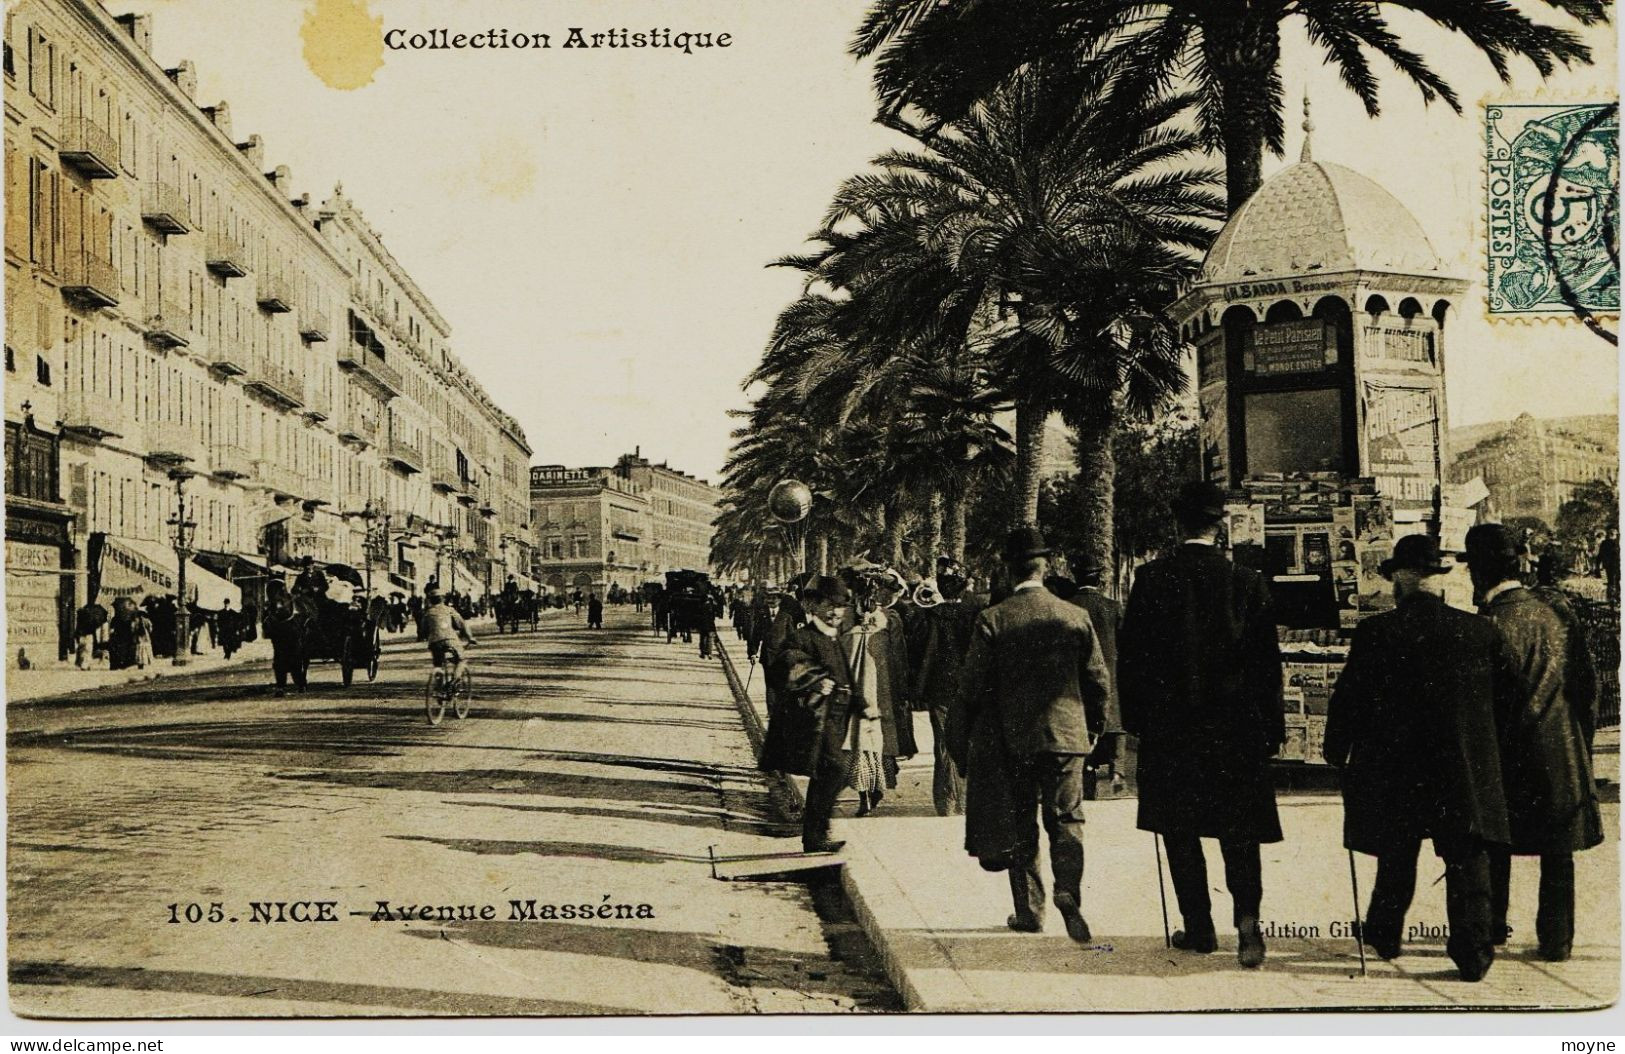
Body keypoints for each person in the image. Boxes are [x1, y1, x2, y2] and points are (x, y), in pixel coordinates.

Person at [1323, 533, 1516, 982]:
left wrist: (1337, 749)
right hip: (1462, 769)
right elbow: (1508, 702)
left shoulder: (1377, 633)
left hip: (1397, 771)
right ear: (1438, 578)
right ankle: (1473, 954)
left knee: (1396, 854)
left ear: (1404, 578)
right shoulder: (1478, 631)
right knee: (1467, 858)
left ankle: (1385, 936)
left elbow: (1349, 699)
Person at [1118, 481, 1283, 969]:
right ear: (1220, 526)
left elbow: (1133, 662)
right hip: (1236, 732)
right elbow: (1266, 666)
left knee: (1179, 830)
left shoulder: (1150, 580)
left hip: (1172, 732)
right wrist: (1269, 730)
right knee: (1239, 832)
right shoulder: (1246, 582)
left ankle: (1200, 927)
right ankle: (1249, 925)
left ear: (1177, 524)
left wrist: (1138, 726)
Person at [949, 527, 1110, 941]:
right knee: (1067, 819)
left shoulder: (992, 620)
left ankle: (1030, 911)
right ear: (1046, 566)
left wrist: (963, 743)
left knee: (1022, 822)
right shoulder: (1076, 616)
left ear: (1007, 568)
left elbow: (970, 688)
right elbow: (1098, 681)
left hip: (1012, 741)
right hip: (1067, 737)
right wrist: (1092, 730)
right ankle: (1068, 891)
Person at [1465, 524, 1603, 963]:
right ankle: (1557, 941)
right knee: (1558, 853)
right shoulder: (1557, 612)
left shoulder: (1487, 624)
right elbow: (1587, 685)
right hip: (1562, 749)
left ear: (1478, 573)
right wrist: (1582, 741)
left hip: (1507, 755)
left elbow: (1481, 704)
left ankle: (1491, 930)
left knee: (1493, 845)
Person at [765, 576, 860, 853]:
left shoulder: (834, 637)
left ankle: (815, 834)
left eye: (841, 607)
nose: (836, 612)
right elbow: (786, 662)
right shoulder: (803, 635)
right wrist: (814, 679)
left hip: (838, 714)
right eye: (829, 605)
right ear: (814, 606)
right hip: (818, 717)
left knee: (830, 771)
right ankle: (816, 832)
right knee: (837, 770)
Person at [908, 559, 978, 816]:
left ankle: (946, 801)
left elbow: (922, 653)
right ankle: (967, 799)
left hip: (941, 689)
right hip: (970, 688)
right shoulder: (975, 613)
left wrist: (917, 690)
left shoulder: (930, 616)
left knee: (943, 744)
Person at [1068, 556, 1126, 792]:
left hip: (1078, 677)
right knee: (1115, 724)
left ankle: (1087, 771)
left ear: (1076, 577)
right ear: (1099, 580)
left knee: (1083, 723)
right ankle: (1118, 771)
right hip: (1109, 674)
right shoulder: (1113, 607)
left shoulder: (1068, 605)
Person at [419, 587, 477, 685]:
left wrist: (426, 636)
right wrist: (470, 637)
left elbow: (422, 631)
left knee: (438, 665)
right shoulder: (449, 610)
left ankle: (439, 689)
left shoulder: (427, 613)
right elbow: (462, 624)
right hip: (450, 639)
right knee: (461, 660)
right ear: (443, 599)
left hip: (434, 642)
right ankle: (453, 682)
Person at [74, 600, 108, 669]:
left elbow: (77, 628)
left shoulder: (82, 615)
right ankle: (85, 665)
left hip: (81, 635)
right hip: (88, 635)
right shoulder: (92, 621)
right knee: (87, 650)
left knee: (81, 649)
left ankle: (79, 662)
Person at [1597, 527, 1619, 600]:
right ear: (1612, 535)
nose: (1616, 536)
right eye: (1616, 535)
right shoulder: (1614, 543)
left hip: (1606, 565)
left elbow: (1599, 555)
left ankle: (1609, 598)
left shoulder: (1603, 543)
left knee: (1608, 582)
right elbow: (1616, 555)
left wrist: (1597, 565)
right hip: (1614, 566)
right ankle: (1614, 598)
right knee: (1614, 582)